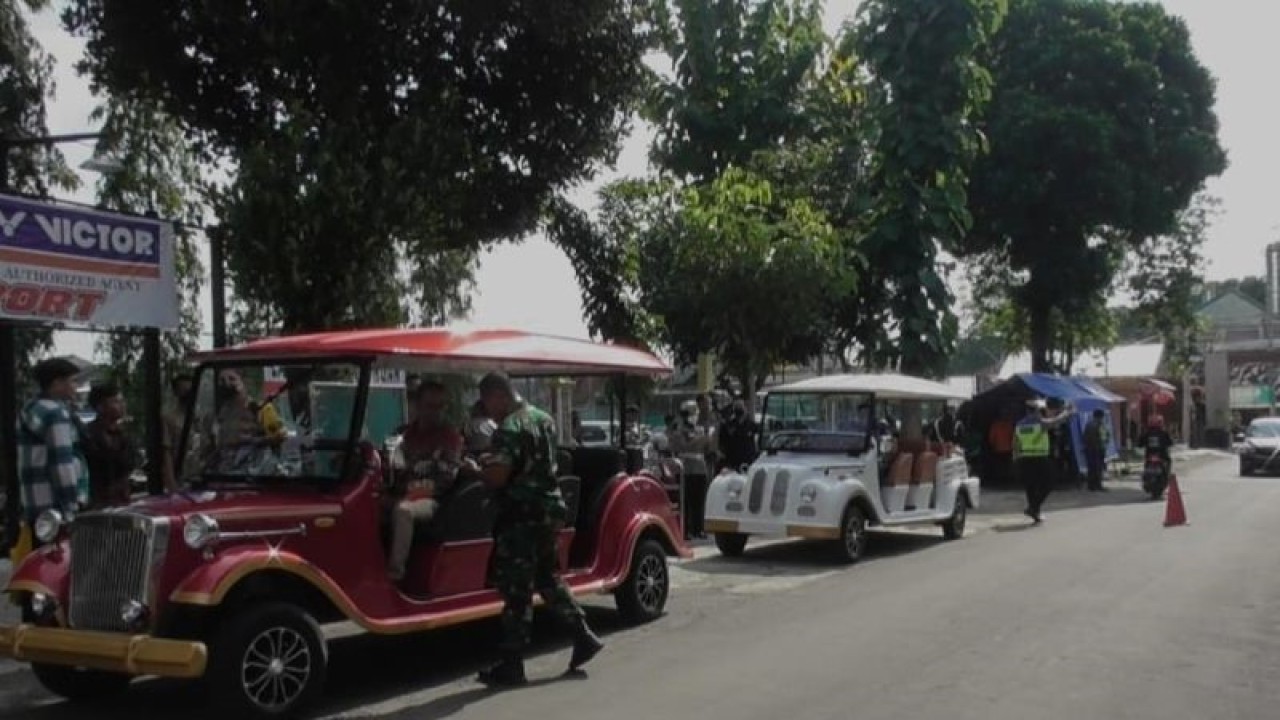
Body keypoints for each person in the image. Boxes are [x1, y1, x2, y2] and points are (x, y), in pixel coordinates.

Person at [474, 372, 602, 687]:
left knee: (516, 590)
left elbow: (500, 476)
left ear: (497, 396)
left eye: (488, 404)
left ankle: (512, 663)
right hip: (548, 510)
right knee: (547, 577)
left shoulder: (509, 427)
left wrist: (478, 470)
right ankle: (582, 634)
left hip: (521, 515)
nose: (489, 412)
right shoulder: (543, 419)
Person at [387, 381, 468, 582]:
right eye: (430, 406)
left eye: (440, 406)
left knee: (403, 510)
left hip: (434, 500)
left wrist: (408, 491)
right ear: (417, 405)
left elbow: (445, 480)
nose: (435, 412)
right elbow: (393, 465)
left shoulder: (449, 437)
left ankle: (395, 574)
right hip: (403, 490)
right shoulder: (405, 434)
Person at [16, 358, 88, 545]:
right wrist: (71, 508)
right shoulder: (55, 414)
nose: (75, 386)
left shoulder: (30, 408)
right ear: (57, 383)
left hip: (35, 508)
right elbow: (62, 465)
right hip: (55, 511)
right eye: (72, 381)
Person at [1013, 397, 1075, 523]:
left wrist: (1015, 458)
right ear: (1035, 411)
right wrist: (1067, 412)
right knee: (1049, 483)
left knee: (1031, 486)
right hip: (1039, 458)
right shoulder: (1039, 422)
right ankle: (1033, 507)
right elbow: (1056, 421)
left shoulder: (1019, 424)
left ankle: (1035, 512)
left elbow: (1015, 442)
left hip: (1024, 458)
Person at [81, 383, 138, 509]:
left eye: (122, 401)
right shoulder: (88, 435)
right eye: (116, 402)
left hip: (122, 501)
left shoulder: (124, 435)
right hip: (96, 502)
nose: (122, 405)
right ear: (100, 407)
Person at [669, 400, 712, 539]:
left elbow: (707, 447)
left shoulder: (699, 429)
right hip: (685, 469)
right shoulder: (678, 430)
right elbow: (681, 446)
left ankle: (698, 529)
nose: (694, 416)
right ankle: (685, 530)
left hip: (700, 468)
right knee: (685, 501)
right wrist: (698, 441)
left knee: (699, 501)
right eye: (691, 413)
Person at [161, 372, 195, 491]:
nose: (187, 394)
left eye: (190, 390)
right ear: (176, 392)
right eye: (183, 390)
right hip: (181, 478)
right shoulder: (169, 419)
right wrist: (172, 486)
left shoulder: (203, 418)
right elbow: (166, 454)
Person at [718, 398, 759, 472]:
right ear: (734, 410)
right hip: (732, 462)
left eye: (741, 407)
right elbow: (722, 443)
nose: (739, 410)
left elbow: (756, 443)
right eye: (737, 407)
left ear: (745, 409)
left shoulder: (752, 426)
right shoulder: (727, 426)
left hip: (748, 461)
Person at [1083, 409, 1109, 492]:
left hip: (1089, 449)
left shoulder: (1088, 424)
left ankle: (1091, 485)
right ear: (1100, 417)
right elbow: (1104, 437)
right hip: (1097, 449)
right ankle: (1098, 485)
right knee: (1098, 468)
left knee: (1091, 468)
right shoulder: (1099, 425)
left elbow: (1085, 437)